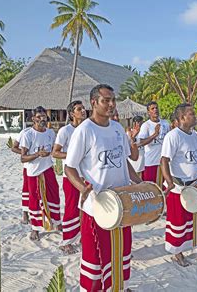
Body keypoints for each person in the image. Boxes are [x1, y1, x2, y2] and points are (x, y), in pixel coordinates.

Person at [65, 84, 143, 291]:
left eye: (113, 100)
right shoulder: (84, 131)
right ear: (93, 103)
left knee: (122, 249)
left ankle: (118, 286)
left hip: (122, 202)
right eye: (106, 100)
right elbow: (69, 167)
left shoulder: (117, 128)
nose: (111, 104)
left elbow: (124, 160)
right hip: (97, 206)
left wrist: (138, 182)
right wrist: (83, 189)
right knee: (96, 255)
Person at [161, 103, 197, 267]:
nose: (195, 116)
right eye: (191, 114)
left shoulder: (194, 136)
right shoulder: (173, 136)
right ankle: (177, 254)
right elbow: (164, 160)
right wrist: (170, 182)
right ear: (181, 118)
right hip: (179, 187)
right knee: (179, 222)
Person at [20, 106, 61, 241]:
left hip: (48, 168)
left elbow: (52, 151)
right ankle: (35, 228)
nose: (42, 119)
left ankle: (55, 222)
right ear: (33, 119)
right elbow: (23, 158)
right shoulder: (28, 135)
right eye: (39, 117)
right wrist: (37, 154)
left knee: (54, 195)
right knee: (35, 199)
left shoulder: (50, 133)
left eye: (44, 117)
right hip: (33, 172)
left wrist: (48, 154)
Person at [52, 100, 86, 254]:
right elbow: (55, 152)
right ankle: (66, 241)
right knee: (71, 208)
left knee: (86, 208)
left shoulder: (88, 128)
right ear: (72, 113)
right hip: (71, 176)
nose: (83, 111)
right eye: (79, 109)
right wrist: (73, 155)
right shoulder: (65, 131)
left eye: (84, 108)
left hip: (87, 175)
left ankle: (82, 237)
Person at [138, 101, 170, 185]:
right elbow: (141, 142)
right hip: (151, 162)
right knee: (151, 189)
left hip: (165, 161)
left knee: (165, 188)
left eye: (156, 108)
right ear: (149, 112)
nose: (155, 110)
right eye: (152, 108)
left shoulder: (165, 123)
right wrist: (154, 134)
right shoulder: (146, 125)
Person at [11, 126, 31, 224]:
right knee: (27, 190)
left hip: (43, 167)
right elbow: (14, 148)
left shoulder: (47, 132)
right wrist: (27, 155)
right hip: (28, 166)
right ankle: (25, 213)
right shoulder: (25, 132)